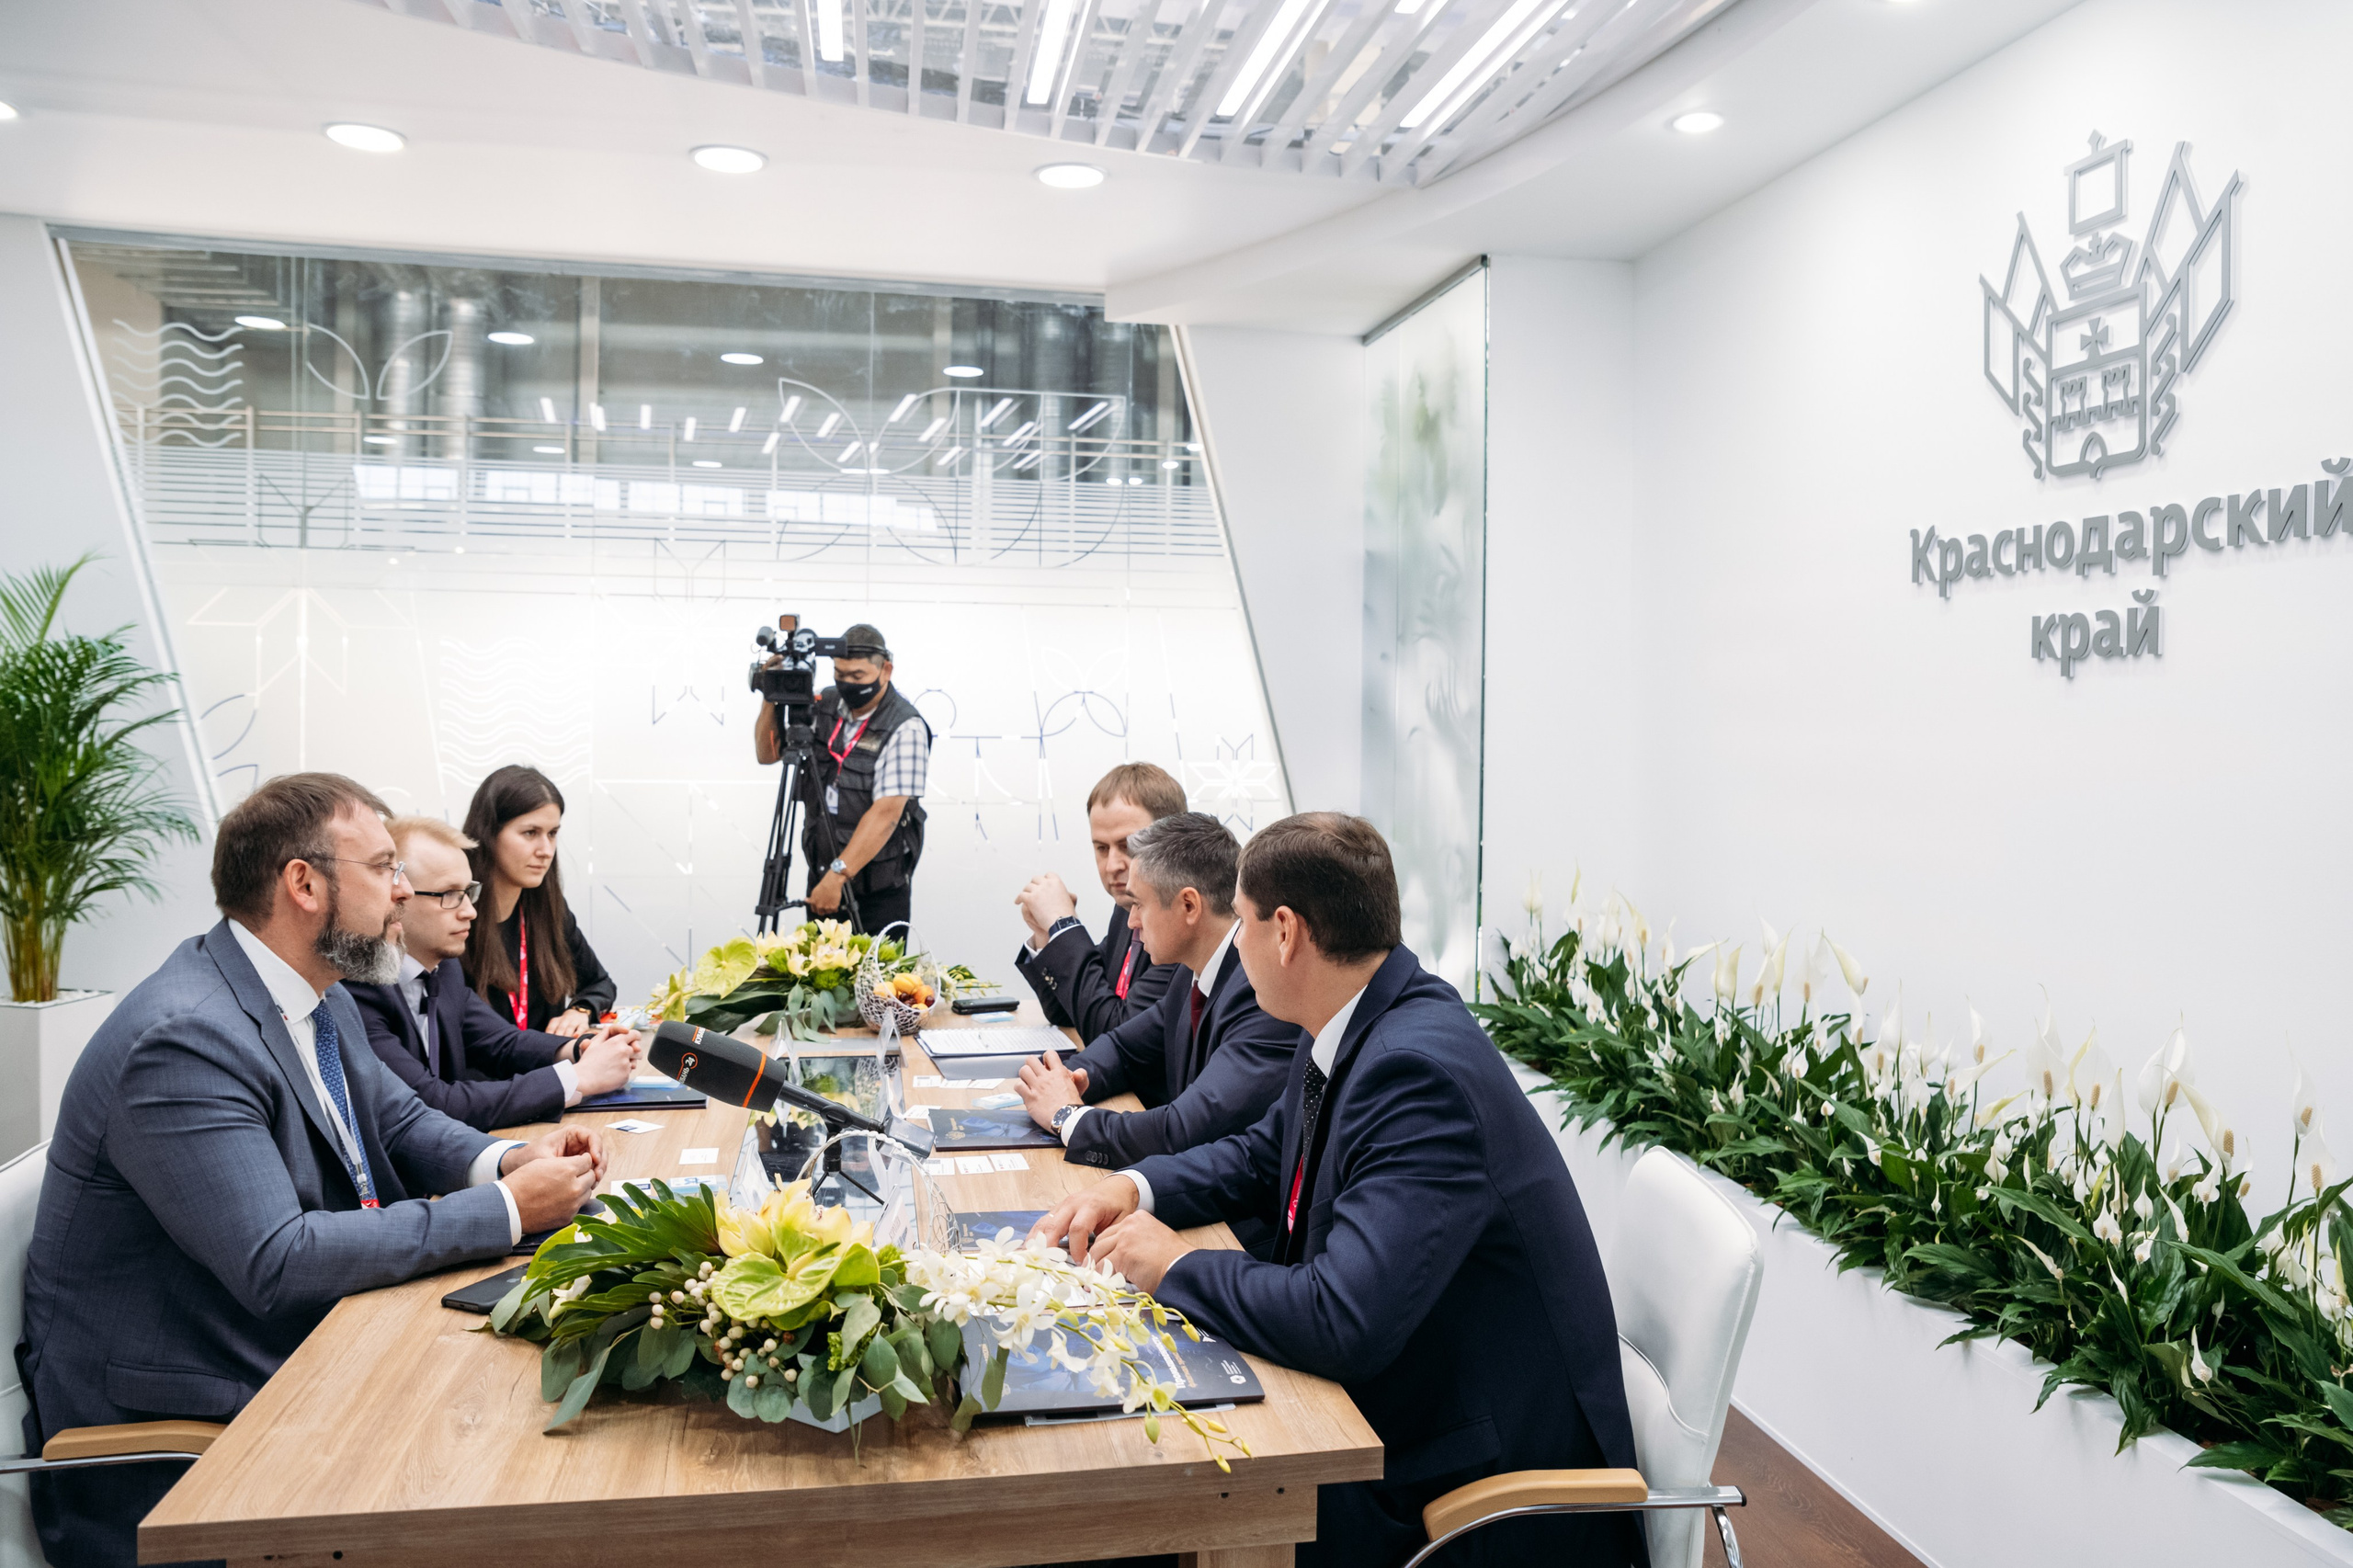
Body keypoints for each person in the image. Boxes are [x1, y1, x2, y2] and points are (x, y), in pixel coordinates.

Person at [16, 772, 606, 1568]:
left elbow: (397, 1119)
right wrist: (507, 1210)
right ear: (303, 883)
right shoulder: (185, 1038)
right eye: (382, 868)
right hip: (185, 1450)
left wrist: (509, 1157)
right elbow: (278, 1259)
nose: (403, 892)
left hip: (292, 1363)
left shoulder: (315, 993)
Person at [1030, 813, 1642, 1568]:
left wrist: (1174, 1267)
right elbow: (1264, 1154)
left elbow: (1342, 1316)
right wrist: (1135, 1189)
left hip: (1467, 1483)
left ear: (1285, 931)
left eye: (1244, 923)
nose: (1236, 944)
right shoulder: (1359, 1015)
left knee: (1141, 1498)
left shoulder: (1416, 1073)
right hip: (1403, 1402)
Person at [1014, 813, 1305, 1255]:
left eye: (1138, 905)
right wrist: (1076, 1078)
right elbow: (1123, 1045)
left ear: (1188, 906)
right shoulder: (1193, 971)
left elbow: (1184, 1131)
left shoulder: (1258, 988)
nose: (1130, 922)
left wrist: (1067, 1116)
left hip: (1240, 1234)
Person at [346, 815, 644, 1132]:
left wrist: (579, 1048)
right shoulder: (357, 987)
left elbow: (500, 1042)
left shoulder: (444, 968)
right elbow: (431, 1103)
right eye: (450, 895)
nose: (470, 911)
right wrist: (579, 1078)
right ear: (398, 896)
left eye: (467, 892)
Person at [753, 622, 929, 937]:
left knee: (877, 985)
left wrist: (838, 877)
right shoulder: (824, 703)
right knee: (820, 981)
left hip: (876, 892)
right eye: (839, 674)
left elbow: (887, 813)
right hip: (822, 879)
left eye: (857, 676)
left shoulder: (906, 726)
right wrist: (771, 694)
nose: (847, 683)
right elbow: (768, 753)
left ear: (885, 670)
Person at [1012, 762, 1185, 1039]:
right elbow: (1070, 1013)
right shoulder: (1125, 910)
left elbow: (1115, 1033)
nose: (1111, 865)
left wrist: (1064, 926)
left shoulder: (1181, 921)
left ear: (1172, 842)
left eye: (1127, 846)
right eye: (1102, 848)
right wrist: (1048, 937)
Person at [460, 765, 617, 1036]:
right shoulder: (455, 916)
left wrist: (580, 1010)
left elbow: (600, 983)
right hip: (488, 1078)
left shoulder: (549, 910)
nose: (546, 851)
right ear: (489, 834)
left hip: (549, 1070)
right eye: (530, 833)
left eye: (552, 833)